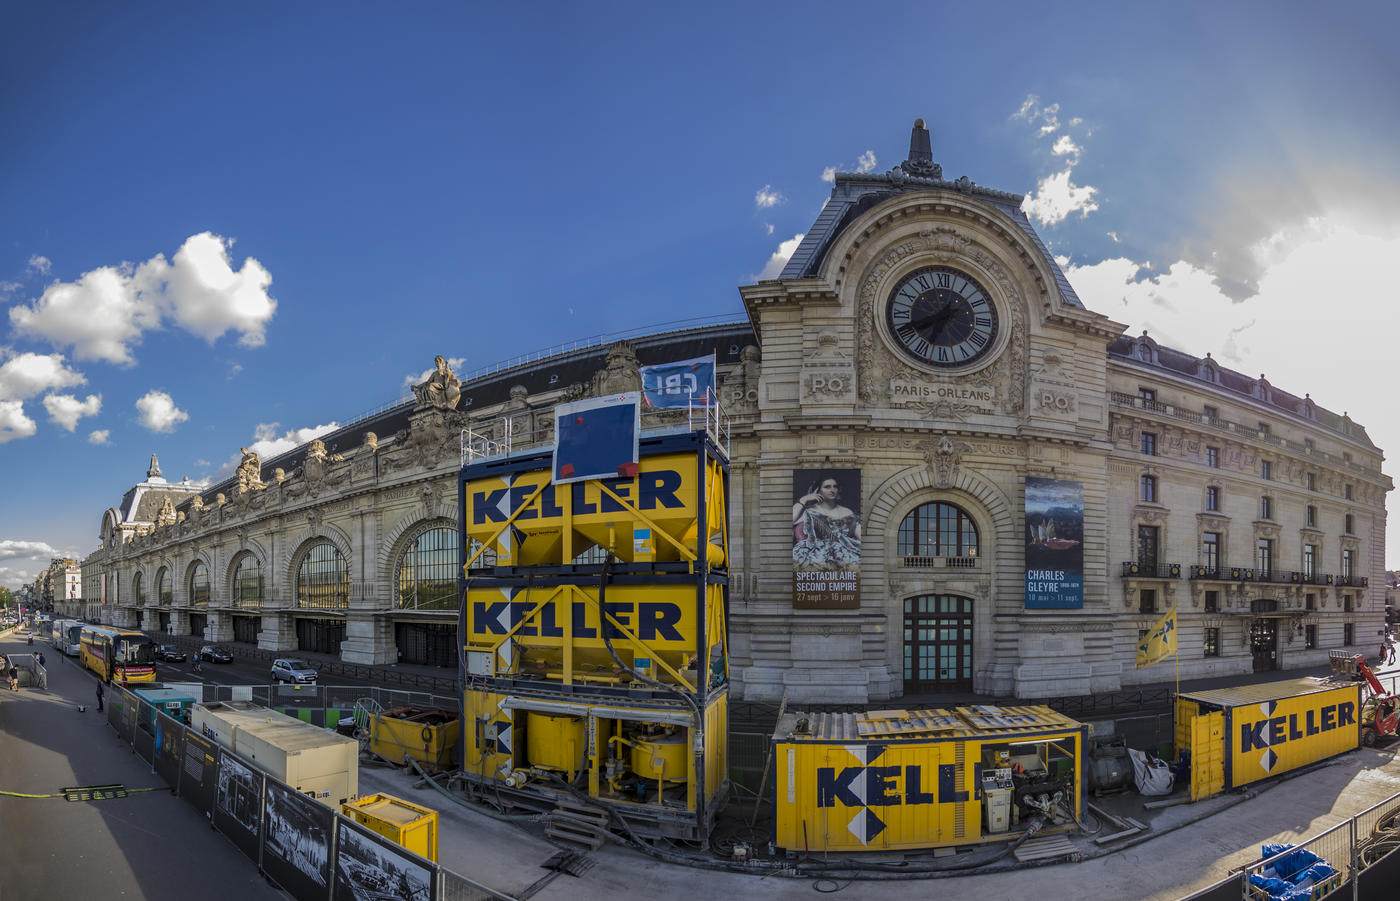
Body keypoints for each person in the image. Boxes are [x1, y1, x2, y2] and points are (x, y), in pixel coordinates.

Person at [792, 474, 862, 571]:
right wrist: (805, 499)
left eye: (835, 487)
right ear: (818, 490)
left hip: (846, 553)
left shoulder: (848, 512)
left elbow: (861, 536)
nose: (832, 490)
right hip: (819, 554)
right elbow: (791, 520)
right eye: (827, 487)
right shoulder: (811, 511)